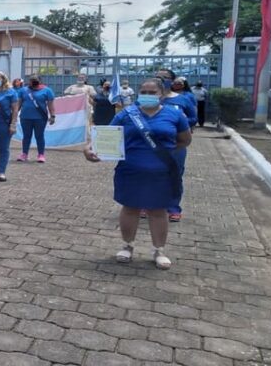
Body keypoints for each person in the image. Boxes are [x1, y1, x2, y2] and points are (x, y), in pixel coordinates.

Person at [84, 78, 191, 270]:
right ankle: (127, 246)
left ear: (162, 94)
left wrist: (162, 153)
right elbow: (106, 134)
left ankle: (159, 250)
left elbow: (184, 140)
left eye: (152, 92)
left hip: (162, 172)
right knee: (130, 208)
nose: (147, 96)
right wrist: (89, 149)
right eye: (144, 92)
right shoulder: (127, 114)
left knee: (158, 211)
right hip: (130, 170)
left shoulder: (174, 115)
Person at [155, 69, 196, 222]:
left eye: (164, 77)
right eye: (157, 76)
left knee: (174, 175)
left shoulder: (183, 99)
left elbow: (193, 118)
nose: (160, 79)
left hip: (175, 145)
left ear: (172, 81)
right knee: (150, 174)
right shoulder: (148, 97)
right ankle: (147, 204)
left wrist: (182, 120)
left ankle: (173, 208)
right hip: (150, 144)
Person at [17, 75, 56, 163]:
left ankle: (41, 154)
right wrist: (14, 115)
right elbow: (18, 104)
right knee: (26, 136)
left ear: (40, 81)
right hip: (25, 117)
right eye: (31, 80)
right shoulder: (23, 90)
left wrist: (52, 116)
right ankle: (24, 154)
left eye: (35, 80)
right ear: (29, 81)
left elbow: (51, 105)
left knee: (39, 136)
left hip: (40, 118)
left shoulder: (47, 90)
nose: (33, 82)